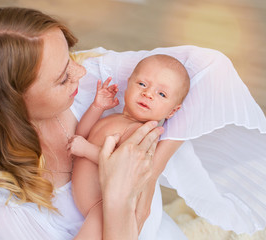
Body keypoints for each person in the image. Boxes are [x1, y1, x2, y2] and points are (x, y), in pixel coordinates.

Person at [0, 6, 266, 240]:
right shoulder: (3, 208)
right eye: (63, 77)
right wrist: (120, 204)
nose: (79, 71)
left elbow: (208, 69)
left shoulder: (91, 81)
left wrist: (150, 172)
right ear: (14, 103)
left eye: (70, 57)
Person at [69, 54, 190, 239]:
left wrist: (85, 149)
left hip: (106, 207)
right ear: (128, 83)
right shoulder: (113, 118)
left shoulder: (140, 134)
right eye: (142, 84)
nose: (148, 94)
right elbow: (81, 135)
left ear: (172, 111)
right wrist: (97, 107)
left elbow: (119, 165)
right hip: (93, 206)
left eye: (161, 94)